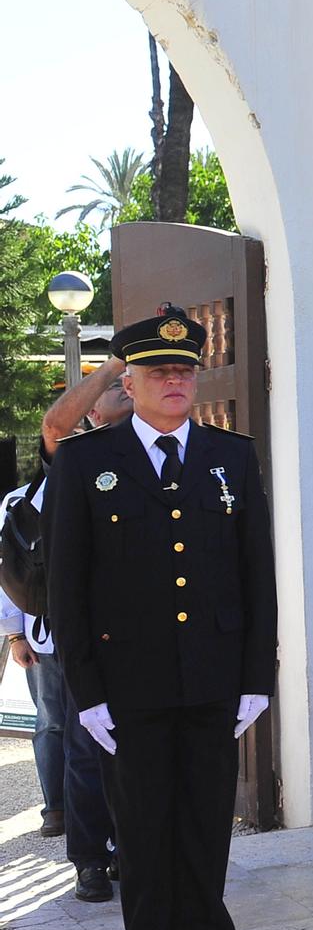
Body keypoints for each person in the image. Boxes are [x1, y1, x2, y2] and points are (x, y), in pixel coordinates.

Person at [46, 306, 277, 930]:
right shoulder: (87, 461)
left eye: (184, 369)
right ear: (131, 379)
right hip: (129, 689)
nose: (174, 380)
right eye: (158, 370)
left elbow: (254, 573)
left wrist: (255, 678)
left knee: (207, 829)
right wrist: (85, 691)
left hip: (212, 683)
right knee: (142, 835)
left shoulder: (231, 457)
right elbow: (67, 584)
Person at [8, 357, 130, 891]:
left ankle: (132, 848)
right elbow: (55, 426)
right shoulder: (79, 456)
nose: (126, 391)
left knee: (138, 750)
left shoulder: (165, 452)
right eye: (117, 389)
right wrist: (116, 363)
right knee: (83, 745)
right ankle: (89, 858)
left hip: (146, 634)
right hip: (78, 634)